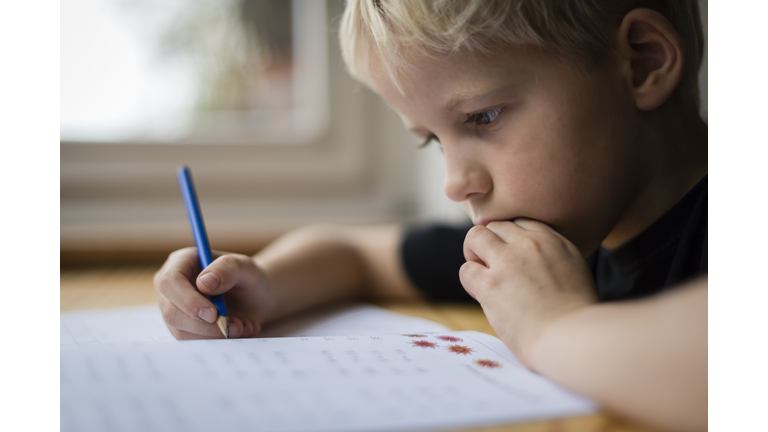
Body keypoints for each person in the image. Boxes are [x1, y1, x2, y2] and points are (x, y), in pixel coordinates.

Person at [154, 1, 707, 430]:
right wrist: (264, 283)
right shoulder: (554, 237)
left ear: (642, 62)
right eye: (431, 142)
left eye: (483, 117)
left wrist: (555, 329)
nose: (454, 182)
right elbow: (353, 253)